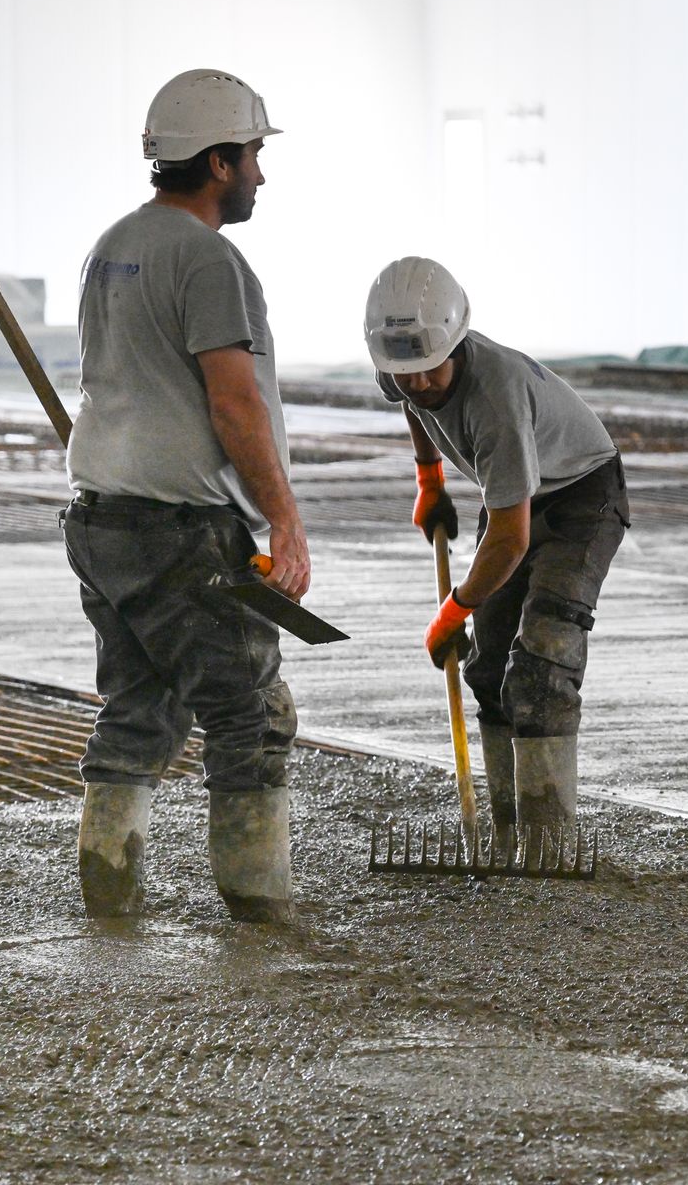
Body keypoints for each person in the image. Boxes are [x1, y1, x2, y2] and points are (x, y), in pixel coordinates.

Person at [63, 68, 307, 924]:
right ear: (216, 162)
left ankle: (110, 889)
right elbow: (233, 400)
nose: (260, 175)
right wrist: (284, 520)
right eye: (250, 156)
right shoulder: (208, 259)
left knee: (143, 703)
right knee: (251, 713)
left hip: (100, 520)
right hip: (180, 528)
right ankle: (257, 905)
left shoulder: (112, 245)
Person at [365, 257, 629, 849]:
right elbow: (413, 405)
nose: (419, 383)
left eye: (431, 369)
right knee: (487, 671)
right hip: (515, 493)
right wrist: (429, 478)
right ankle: (507, 834)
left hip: (581, 495)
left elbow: (510, 538)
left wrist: (453, 610)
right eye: (405, 372)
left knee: (542, 666)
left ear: (455, 342)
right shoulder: (403, 364)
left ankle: (547, 842)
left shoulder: (496, 400)